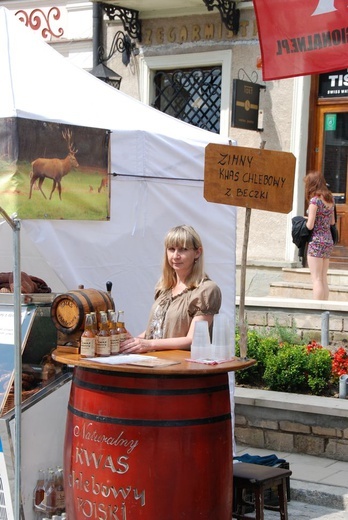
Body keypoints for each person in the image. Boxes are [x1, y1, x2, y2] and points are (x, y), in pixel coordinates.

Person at [120, 224, 222, 353]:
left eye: (183, 249)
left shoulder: (206, 290)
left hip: (183, 367)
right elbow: (159, 327)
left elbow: (194, 339)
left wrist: (148, 344)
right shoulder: (164, 287)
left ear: (197, 252)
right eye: (171, 249)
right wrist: (134, 341)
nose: (175, 256)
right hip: (155, 364)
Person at [304, 171, 335, 300]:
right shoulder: (330, 199)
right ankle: (325, 309)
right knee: (323, 278)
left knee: (316, 279)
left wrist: (302, 221)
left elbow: (310, 225)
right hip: (328, 240)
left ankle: (316, 310)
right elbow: (332, 222)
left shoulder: (315, 201)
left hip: (316, 241)